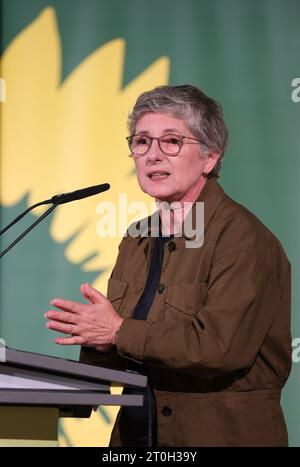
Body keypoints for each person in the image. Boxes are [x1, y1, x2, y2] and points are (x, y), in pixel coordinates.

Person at [45, 84, 291, 447]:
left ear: (210, 158)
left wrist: (116, 332)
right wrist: (97, 346)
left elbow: (217, 348)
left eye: (171, 141)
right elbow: (128, 348)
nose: (153, 155)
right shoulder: (137, 238)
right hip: (138, 439)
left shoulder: (243, 240)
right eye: (142, 141)